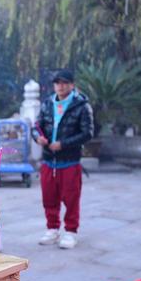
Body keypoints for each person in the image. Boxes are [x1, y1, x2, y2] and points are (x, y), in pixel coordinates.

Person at [32, 68, 93, 249]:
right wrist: (38, 138)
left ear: (72, 85)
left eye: (64, 83)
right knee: (49, 197)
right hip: (49, 161)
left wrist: (63, 144)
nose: (60, 86)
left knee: (71, 197)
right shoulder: (47, 104)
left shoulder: (82, 105)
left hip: (70, 161)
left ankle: (71, 232)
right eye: (57, 83)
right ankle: (52, 229)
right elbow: (36, 126)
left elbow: (87, 133)